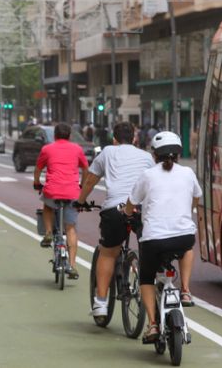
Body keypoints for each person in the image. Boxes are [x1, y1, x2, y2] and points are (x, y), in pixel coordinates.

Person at [124, 131, 202, 344]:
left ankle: (153, 325)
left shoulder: (148, 175)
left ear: (155, 155)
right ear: (178, 154)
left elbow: (132, 203)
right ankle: (185, 291)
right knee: (187, 247)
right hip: (183, 236)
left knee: (147, 277)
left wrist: (127, 213)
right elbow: (196, 197)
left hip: (154, 239)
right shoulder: (188, 173)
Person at [77, 122, 155, 322]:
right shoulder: (146, 157)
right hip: (141, 209)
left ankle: (101, 303)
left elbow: (90, 181)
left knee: (108, 252)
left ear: (114, 138)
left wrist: (80, 201)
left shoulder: (107, 152)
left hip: (115, 209)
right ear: (135, 139)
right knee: (148, 249)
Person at [33, 123, 89, 280]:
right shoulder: (77, 149)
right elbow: (86, 169)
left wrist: (37, 182)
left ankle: (49, 233)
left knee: (47, 205)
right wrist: (81, 185)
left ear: (55, 136)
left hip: (53, 190)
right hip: (72, 191)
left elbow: (38, 169)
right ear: (69, 135)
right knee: (71, 228)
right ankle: (72, 265)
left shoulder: (47, 149)